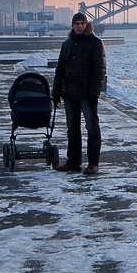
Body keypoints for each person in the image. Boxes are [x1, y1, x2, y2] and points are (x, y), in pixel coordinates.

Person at [52, 12, 106, 174]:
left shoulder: (95, 43)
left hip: (87, 93)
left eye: (82, 23)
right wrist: (55, 92)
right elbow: (60, 69)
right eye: (77, 23)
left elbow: (99, 70)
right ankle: (74, 162)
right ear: (73, 25)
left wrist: (94, 93)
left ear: (87, 25)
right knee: (72, 129)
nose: (80, 26)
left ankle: (93, 163)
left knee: (92, 128)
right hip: (69, 92)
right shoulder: (67, 44)